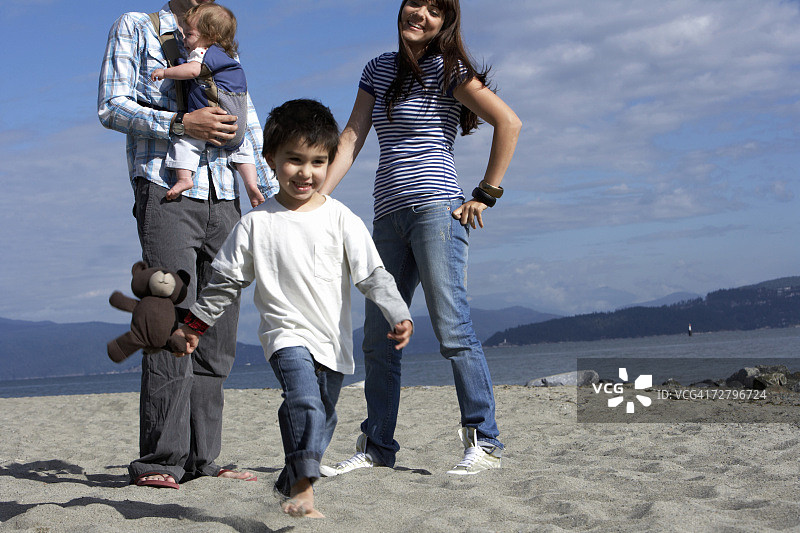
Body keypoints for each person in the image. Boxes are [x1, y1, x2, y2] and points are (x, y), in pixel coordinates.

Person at [176, 99, 414, 517]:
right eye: (294, 160)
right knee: (303, 401)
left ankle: (289, 480)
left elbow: (373, 275)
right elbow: (225, 284)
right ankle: (304, 488)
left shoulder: (342, 218)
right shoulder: (255, 223)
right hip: (284, 334)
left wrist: (398, 313)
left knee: (322, 418)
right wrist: (195, 324)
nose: (306, 172)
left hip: (333, 341)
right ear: (270, 159)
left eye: (318, 162)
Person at [320, 0, 521, 475]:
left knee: (452, 330)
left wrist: (486, 193)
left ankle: (485, 442)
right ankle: (377, 447)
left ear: (445, 23)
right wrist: (317, 200)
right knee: (378, 338)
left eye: (435, 10)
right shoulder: (378, 68)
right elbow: (351, 136)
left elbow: (508, 122)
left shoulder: (447, 68)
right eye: (416, 3)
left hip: (435, 211)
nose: (422, 14)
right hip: (387, 215)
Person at [98, 0, 276, 488]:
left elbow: (247, 116)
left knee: (216, 329)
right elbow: (110, 106)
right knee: (166, 321)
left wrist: (267, 191)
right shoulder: (137, 27)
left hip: (225, 194)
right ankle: (160, 459)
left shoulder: (220, 32)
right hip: (166, 187)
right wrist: (180, 125)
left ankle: (204, 458)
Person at [150, 3, 263, 207]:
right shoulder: (227, 57)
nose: (184, 39)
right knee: (243, 149)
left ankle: (184, 178)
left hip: (215, 121)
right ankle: (251, 183)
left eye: (189, 34)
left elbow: (192, 71)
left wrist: (165, 72)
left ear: (210, 36)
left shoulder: (203, 53)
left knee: (185, 142)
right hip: (235, 128)